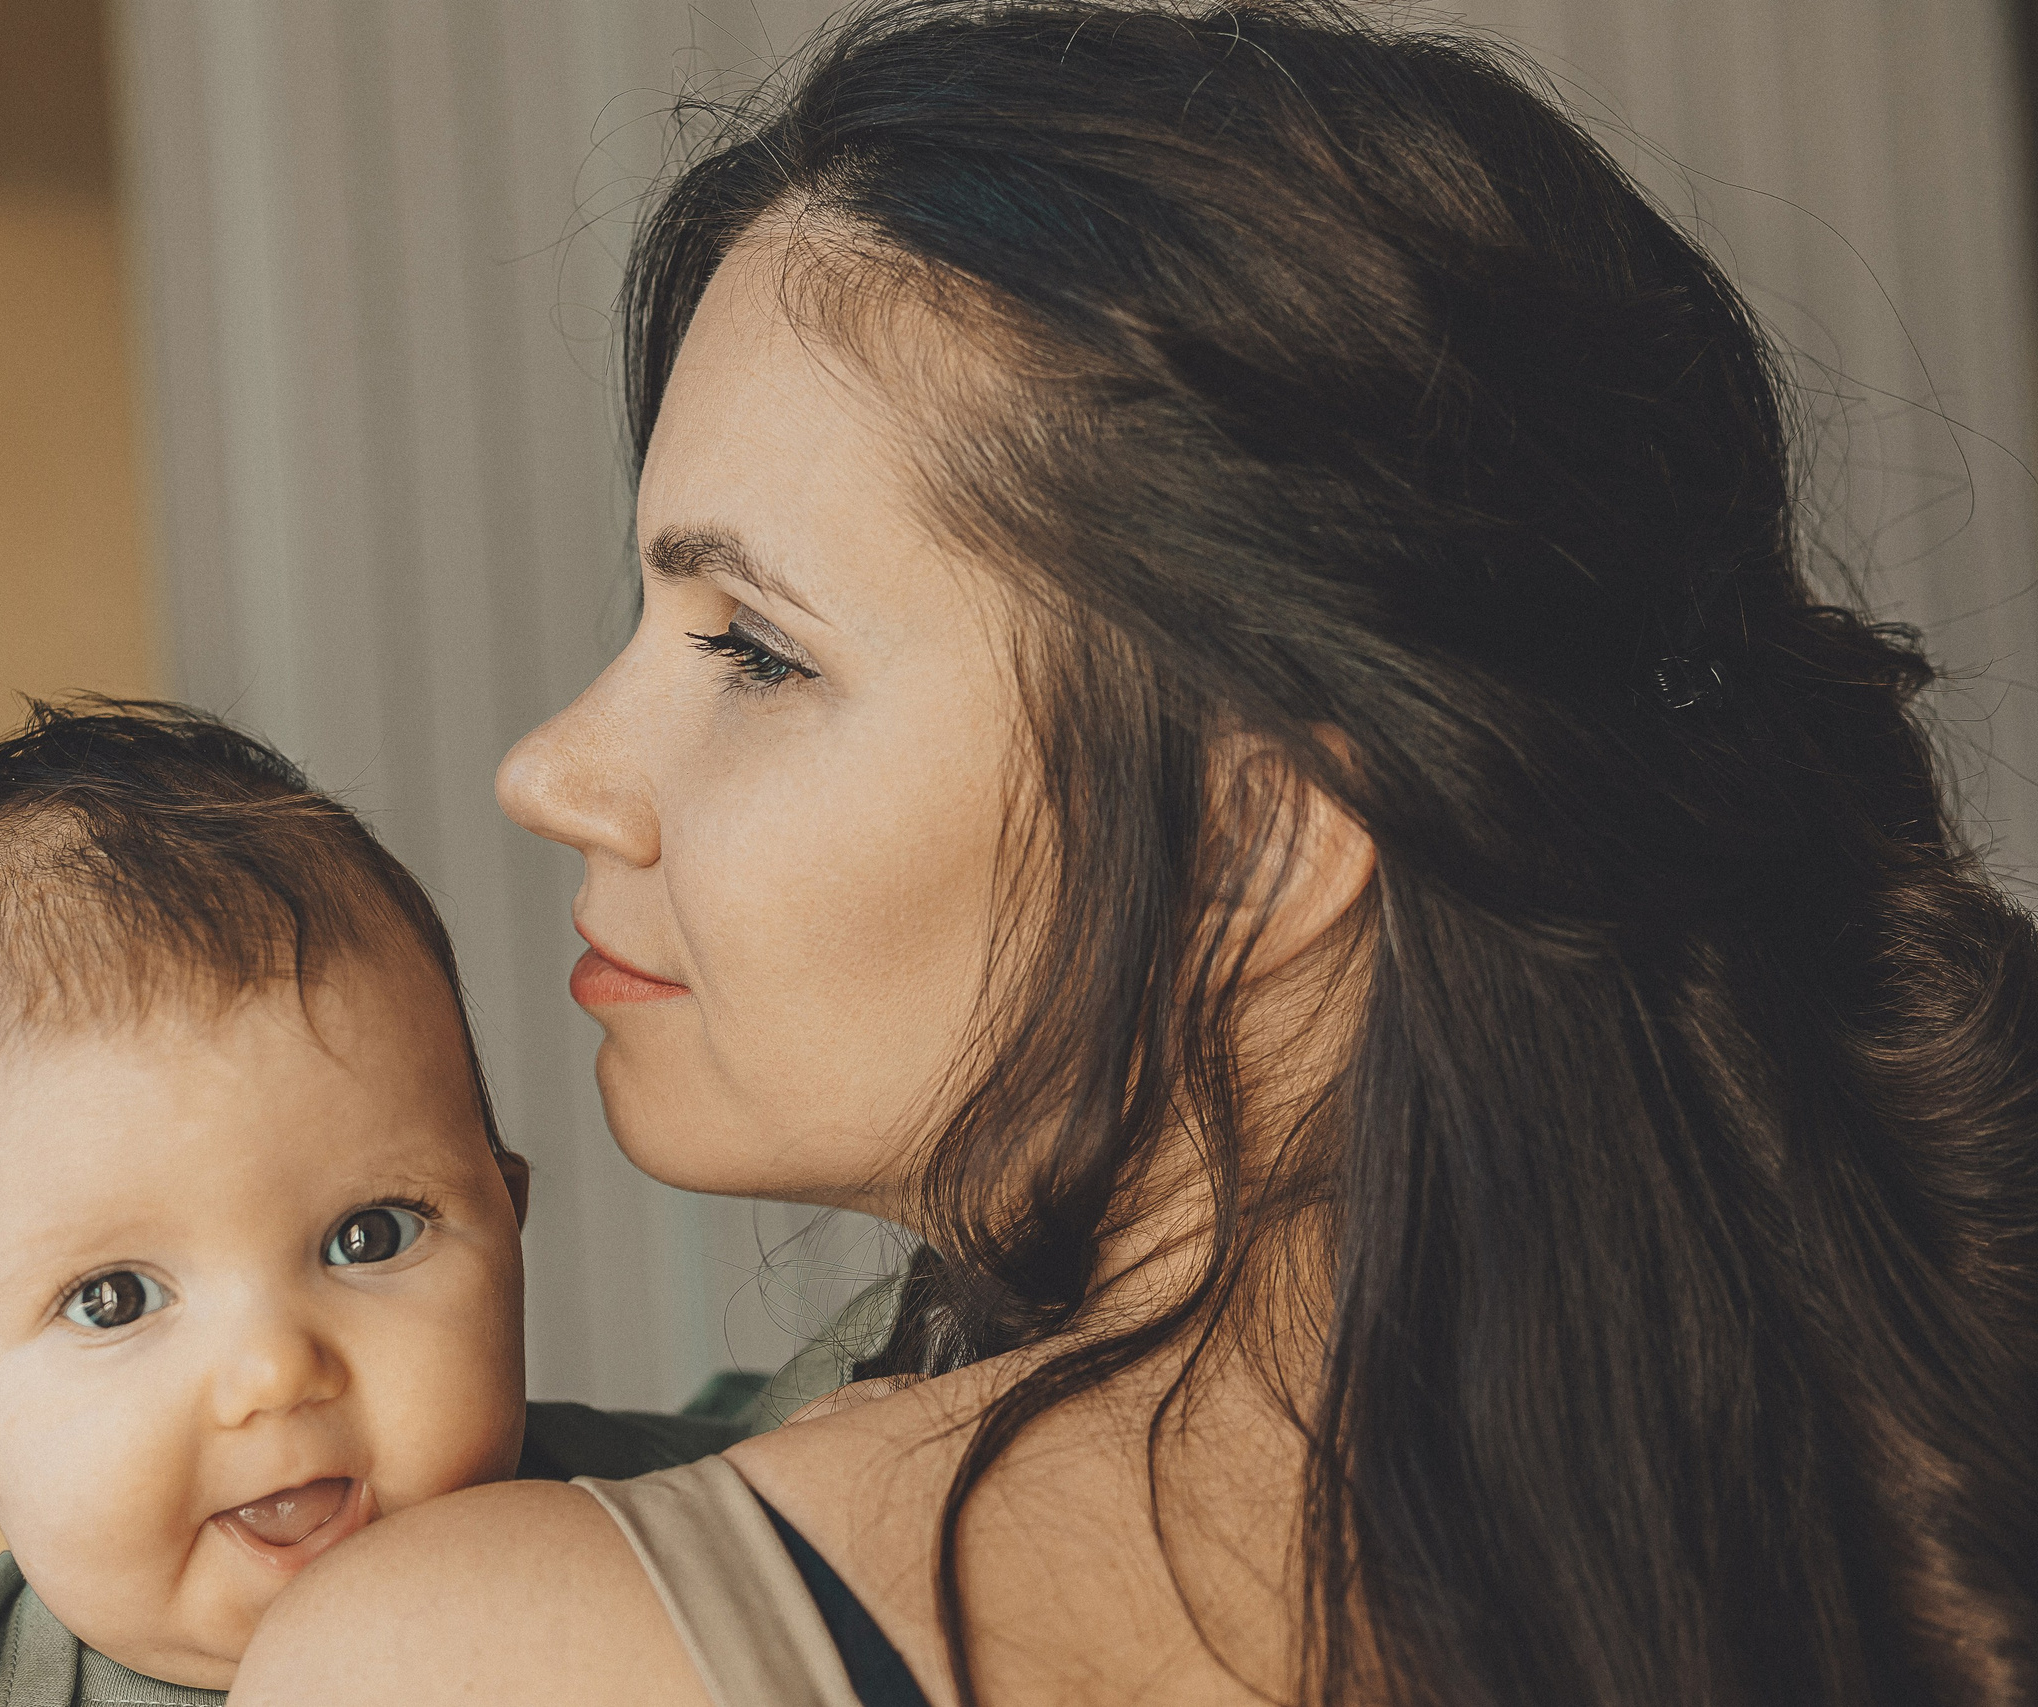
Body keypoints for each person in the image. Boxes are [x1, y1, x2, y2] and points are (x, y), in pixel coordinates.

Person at [231, 3, 2038, 1704]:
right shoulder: (1941, 1550)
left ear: (1254, 840)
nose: (553, 769)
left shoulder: (512, 1659)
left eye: (756, 651)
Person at [0, 701, 739, 1707]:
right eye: (113, 1299)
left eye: (368, 1236)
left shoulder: (685, 1529)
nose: (273, 1374)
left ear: (507, 1228)